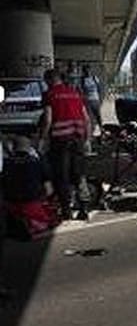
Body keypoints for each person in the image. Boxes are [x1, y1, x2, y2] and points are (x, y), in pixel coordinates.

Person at [39, 69, 92, 220]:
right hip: (78, 139)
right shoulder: (75, 93)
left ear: (49, 80)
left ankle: (66, 210)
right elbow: (86, 118)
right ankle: (84, 208)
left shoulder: (49, 95)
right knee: (78, 174)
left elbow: (48, 119)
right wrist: (87, 139)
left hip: (60, 141)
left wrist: (42, 140)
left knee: (61, 176)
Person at [3, 135, 60, 239]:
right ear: (29, 148)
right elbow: (49, 189)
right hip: (32, 202)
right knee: (47, 221)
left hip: (12, 203)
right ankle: (32, 227)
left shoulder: (7, 163)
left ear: (14, 147)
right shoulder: (36, 162)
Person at [79, 65, 103, 138]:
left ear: (90, 70)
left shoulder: (94, 78)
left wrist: (100, 99)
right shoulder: (82, 80)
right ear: (83, 71)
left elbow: (99, 89)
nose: (87, 72)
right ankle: (90, 134)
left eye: (88, 70)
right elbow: (81, 90)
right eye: (85, 71)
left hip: (96, 100)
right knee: (89, 118)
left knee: (98, 117)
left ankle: (102, 131)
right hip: (87, 101)